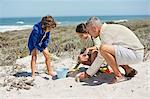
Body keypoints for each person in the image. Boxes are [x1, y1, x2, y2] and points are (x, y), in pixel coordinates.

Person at [77, 17, 144, 83]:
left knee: (103, 49)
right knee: (108, 51)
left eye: (89, 31)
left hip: (135, 54)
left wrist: (87, 74)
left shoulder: (106, 32)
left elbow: (101, 57)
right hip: (133, 52)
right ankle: (128, 70)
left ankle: (119, 76)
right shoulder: (106, 29)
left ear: (94, 28)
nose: (89, 34)